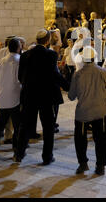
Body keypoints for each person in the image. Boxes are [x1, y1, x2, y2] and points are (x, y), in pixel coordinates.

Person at [14, 29, 69, 165]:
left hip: (29, 96)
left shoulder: (25, 55)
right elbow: (55, 74)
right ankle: (47, 156)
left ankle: (19, 154)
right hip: (46, 96)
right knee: (48, 128)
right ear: (47, 40)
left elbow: (20, 76)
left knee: (25, 125)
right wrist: (68, 86)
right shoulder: (50, 55)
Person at [68, 47, 106, 175]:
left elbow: (71, 96)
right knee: (101, 139)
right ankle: (100, 166)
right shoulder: (103, 72)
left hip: (83, 111)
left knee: (80, 139)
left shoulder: (77, 74)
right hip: (99, 111)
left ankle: (83, 164)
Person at [0, 38, 22, 157]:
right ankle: (17, 152)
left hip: (1, 97)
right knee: (18, 126)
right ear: (18, 48)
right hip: (15, 98)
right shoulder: (19, 61)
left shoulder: (0, 62)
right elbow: (20, 80)